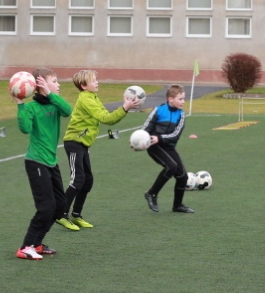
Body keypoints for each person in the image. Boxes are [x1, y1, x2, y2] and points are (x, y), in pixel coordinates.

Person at [58, 69, 140, 229]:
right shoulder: (86, 100)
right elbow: (105, 119)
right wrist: (125, 108)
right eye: (93, 80)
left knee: (88, 181)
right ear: (83, 86)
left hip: (83, 144)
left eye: (96, 80)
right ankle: (60, 214)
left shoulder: (93, 97)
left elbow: (107, 117)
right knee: (78, 179)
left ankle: (76, 215)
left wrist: (125, 107)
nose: (97, 82)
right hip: (74, 142)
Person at [15, 67, 73, 260]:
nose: (59, 85)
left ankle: (37, 244)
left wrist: (50, 94)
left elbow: (68, 111)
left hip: (51, 161)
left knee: (60, 205)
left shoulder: (55, 104)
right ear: (40, 84)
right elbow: (25, 128)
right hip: (36, 161)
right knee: (46, 206)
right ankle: (26, 247)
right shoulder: (31, 107)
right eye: (54, 81)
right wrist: (20, 104)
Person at [142, 85, 194, 214]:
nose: (183, 101)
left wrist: (160, 138)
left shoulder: (181, 115)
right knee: (171, 166)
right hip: (154, 146)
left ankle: (177, 205)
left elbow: (175, 135)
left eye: (184, 99)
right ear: (170, 99)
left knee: (183, 176)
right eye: (180, 99)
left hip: (168, 146)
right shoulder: (158, 110)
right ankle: (151, 193)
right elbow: (145, 129)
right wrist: (139, 141)